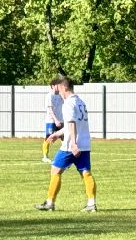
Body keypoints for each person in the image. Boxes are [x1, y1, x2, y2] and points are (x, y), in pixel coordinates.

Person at [36, 76, 97, 212]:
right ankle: (91, 204)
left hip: (71, 145)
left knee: (55, 169)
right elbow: (74, 123)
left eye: (59, 89)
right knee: (86, 172)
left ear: (64, 88)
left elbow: (72, 123)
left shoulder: (68, 103)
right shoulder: (80, 102)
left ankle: (50, 203)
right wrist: (57, 134)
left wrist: (73, 143)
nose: (59, 93)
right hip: (85, 143)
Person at [42, 86, 64, 163]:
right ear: (53, 86)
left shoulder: (61, 95)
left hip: (61, 120)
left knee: (64, 138)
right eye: (57, 85)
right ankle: (45, 157)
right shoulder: (49, 95)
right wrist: (55, 120)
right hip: (51, 120)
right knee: (49, 137)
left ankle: (65, 156)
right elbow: (50, 110)